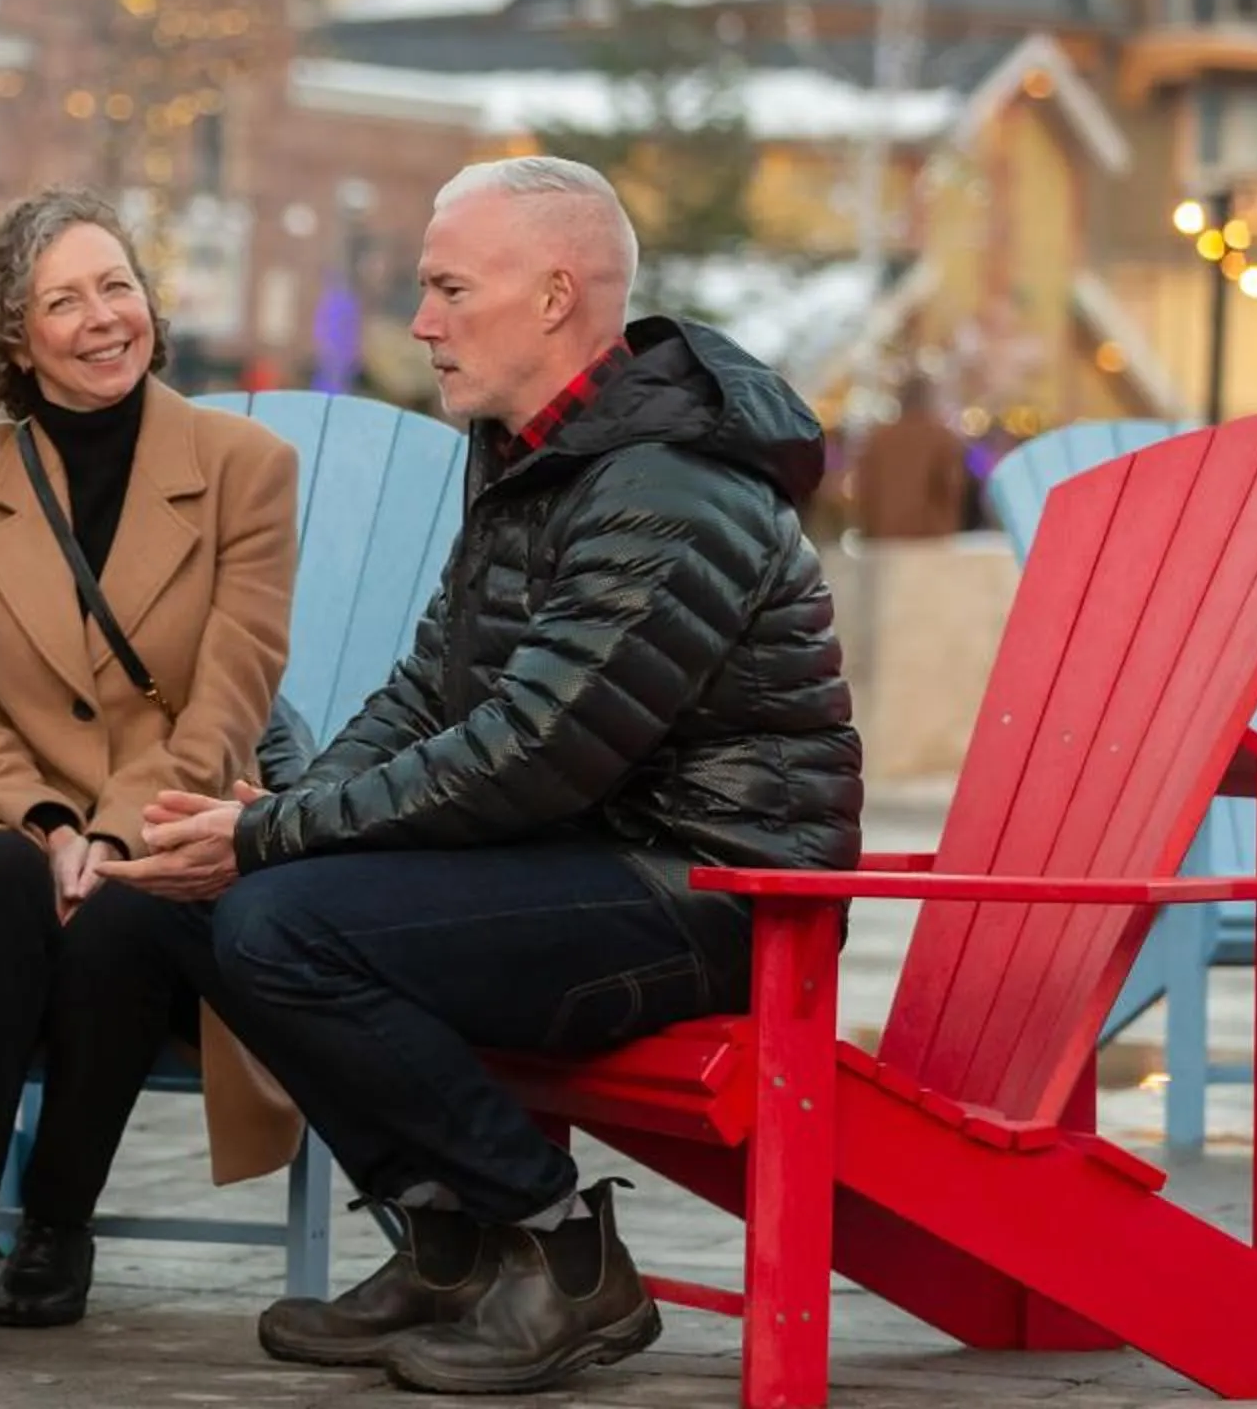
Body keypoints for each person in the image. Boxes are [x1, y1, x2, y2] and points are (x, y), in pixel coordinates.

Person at [96, 155, 864, 1397]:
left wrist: (279, 842)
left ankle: (561, 1252)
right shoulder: (532, 454)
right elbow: (428, 688)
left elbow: (536, 746)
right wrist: (269, 816)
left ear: (556, 295)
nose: (421, 322)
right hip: (579, 859)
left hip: (718, 890)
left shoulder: (669, 483)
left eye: (450, 288)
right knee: (192, 904)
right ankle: (450, 1244)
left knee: (283, 919)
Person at [0, 185, 301, 1369]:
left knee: (125, 916)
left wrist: (115, 836)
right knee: (6, 880)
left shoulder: (247, 468)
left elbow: (234, 690)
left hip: (175, 812)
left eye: (118, 284)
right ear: (17, 338)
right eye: (63, 299)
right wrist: (54, 820)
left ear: (151, 307)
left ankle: (59, 1222)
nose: (102, 316)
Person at [849, 375, 974, 540]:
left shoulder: (877, 439)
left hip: (884, 538)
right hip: (930, 539)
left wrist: (869, 529)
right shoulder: (942, 438)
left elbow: (863, 490)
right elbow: (951, 488)